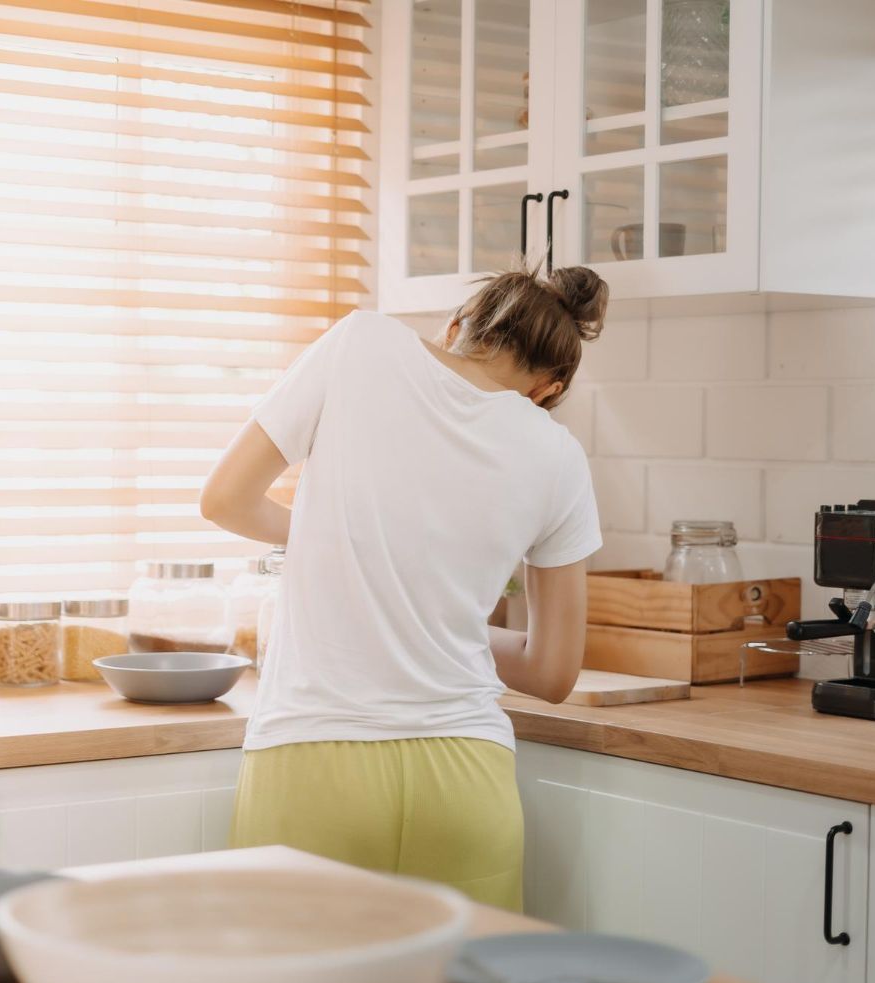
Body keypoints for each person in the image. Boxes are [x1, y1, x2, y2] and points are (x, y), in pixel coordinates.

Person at [198, 265, 607, 911]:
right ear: (548, 386)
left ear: (454, 328)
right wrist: (440, 619)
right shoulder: (558, 455)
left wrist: (338, 544)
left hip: (317, 760)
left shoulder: (362, 342)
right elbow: (553, 672)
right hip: (469, 780)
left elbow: (225, 499)